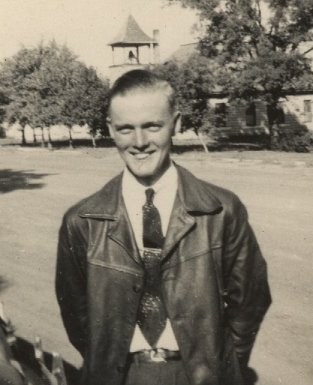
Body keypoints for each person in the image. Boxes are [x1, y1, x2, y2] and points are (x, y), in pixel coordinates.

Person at [55, 69, 271, 385]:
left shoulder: (221, 210)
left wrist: (224, 365)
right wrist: (108, 360)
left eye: (152, 126)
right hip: (119, 376)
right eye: (126, 129)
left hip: (199, 375)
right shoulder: (82, 221)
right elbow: (76, 313)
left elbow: (250, 300)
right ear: (111, 130)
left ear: (176, 124)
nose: (139, 142)